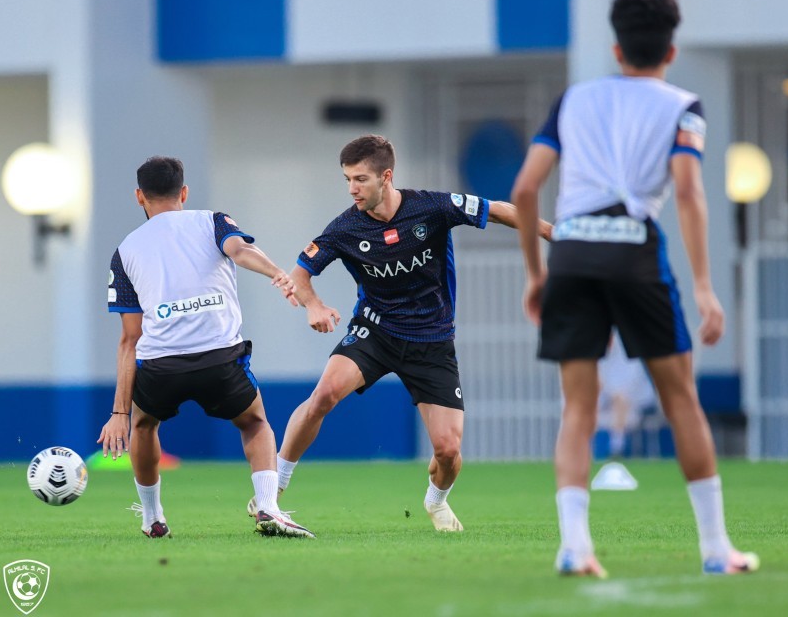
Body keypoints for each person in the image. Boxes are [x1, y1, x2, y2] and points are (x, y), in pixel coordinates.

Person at [511, 0, 759, 576]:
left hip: (572, 251)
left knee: (579, 406)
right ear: (671, 51)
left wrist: (536, 273)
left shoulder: (573, 99)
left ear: (616, 48)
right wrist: (704, 286)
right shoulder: (683, 106)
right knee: (681, 400)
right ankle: (716, 549)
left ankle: (575, 547)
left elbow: (524, 189)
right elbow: (689, 192)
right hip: (634, 249)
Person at [258, 134, 551, 532]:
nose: (352, 189)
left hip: (432, 341)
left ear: (386, 176)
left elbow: (498, 210)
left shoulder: (432, 207)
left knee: (448, 452)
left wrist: (552, 233)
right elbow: (301, 274)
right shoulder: (344, 228)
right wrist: (314, 306)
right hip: (374, 332)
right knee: (323, 395)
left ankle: (436, 501)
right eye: (347, 179)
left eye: (360, 179)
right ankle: (273, 491)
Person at [97, 156, 314, 539]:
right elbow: (240, 250)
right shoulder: (213, 221)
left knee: (144, 425)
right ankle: (268, 506)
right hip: (220, 360)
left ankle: (152, 517)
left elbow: (130, 339)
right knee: (254, 422)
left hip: (161, 366)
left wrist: (119, 414)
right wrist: (277, 272)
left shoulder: (125, 251)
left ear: (139, 196)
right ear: (183, 192)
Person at [598, 330, 658, 458]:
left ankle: (616, 447)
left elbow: (631, 384)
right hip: (606, 400)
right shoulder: (598, 354)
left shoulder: (627, 350)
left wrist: (614, 394)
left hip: (635, 400)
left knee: (620, 398)